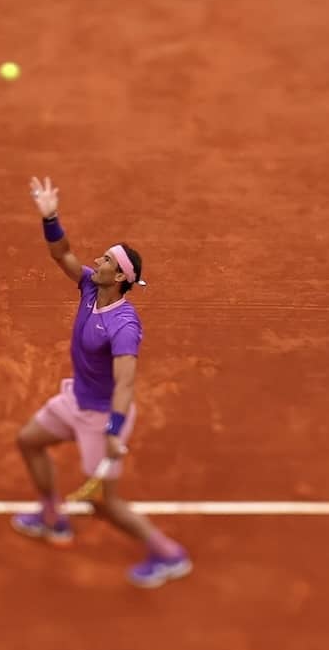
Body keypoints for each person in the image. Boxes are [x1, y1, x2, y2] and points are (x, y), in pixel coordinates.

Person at [10, 176, 192, 588]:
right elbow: (63, 254)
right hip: (76, 400)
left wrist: (114, 429)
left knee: (101, 503)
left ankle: (167, 553)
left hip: (101, 417)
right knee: (29, 440)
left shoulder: (125, 326)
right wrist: (50, 216)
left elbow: (126, 383)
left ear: (121, 277)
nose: (100, 261)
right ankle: (53, 518)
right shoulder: (90, 286)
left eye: (108, 260)